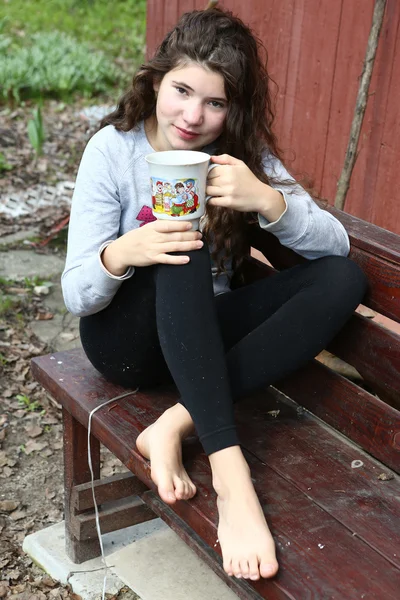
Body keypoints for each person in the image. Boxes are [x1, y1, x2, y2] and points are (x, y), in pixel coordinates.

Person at [62, 7, 367, 583]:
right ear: (156, 81)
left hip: (200, 341)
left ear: (234, 110)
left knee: (343, 279)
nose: (193, 116)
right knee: (182, 240)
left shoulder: (240, 155)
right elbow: (78, 293)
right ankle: (232, 477)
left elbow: (335, 247)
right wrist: (125, 251)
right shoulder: (113, 149)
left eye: (216, 103)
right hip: (126, 342)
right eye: (181, 91)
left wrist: (267, 201)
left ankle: (175, 424)